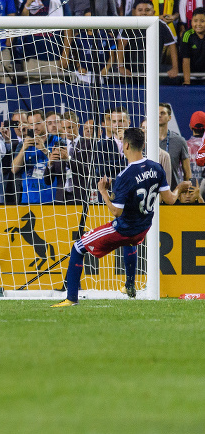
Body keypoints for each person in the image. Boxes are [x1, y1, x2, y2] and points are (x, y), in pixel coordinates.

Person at [53, 128, 189, 307]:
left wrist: (103, 192)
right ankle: (130, 285)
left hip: (124, 229)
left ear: (125, 145)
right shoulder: (156, 168)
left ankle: (71, 299)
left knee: (78, 247)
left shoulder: (125, 176)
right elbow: (170, 200)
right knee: (130, 242)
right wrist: (180, 187)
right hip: (142, 230)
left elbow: (116, 211)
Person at [158, 102, 192, 189]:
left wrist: (186, 192)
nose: (159, 115)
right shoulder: (146, 140)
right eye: (156, 113)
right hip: (150, 193)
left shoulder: (180, 141)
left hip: (172, 193)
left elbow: (187, 173)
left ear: (169, 117)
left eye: (162, 113)